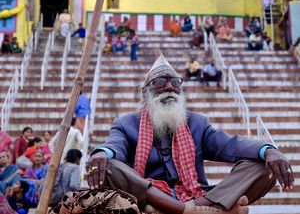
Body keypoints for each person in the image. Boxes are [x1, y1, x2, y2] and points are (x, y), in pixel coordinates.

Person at [86, 54, 294, 214]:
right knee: (109, 166)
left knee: (262, 168)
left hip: (197, 194)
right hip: (146, 195)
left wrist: (269, 151)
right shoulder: (126, 123)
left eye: (175, 82)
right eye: (160, 82)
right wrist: (102, 153)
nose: (169, 86)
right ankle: (198, 211)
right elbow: (114, 146)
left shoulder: (197, 123)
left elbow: (231, 145)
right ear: (146, 92)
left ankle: (188, 208)